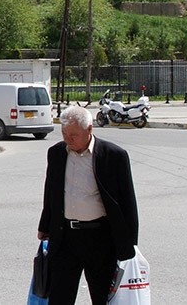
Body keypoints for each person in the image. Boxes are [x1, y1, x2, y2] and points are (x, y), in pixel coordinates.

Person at [37, 105, 139, 305]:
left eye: (73, 135)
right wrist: (44, 226)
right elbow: (51, 192)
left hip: (100, 239)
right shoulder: (56, 153)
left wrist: (129, 244)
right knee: (59, 298)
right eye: (64, 134)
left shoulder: (114, 156)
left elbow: (127, 201)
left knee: (102, 298)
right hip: (65, 236)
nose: (68, 139)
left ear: (89, 129)